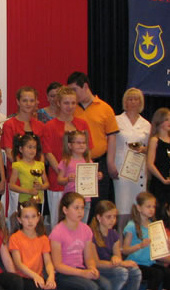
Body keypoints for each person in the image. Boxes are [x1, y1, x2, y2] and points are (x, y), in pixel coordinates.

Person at [49, 192, 108, 290]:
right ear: (65, 210)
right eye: (76, 208)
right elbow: (58, 265)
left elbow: (88, 257)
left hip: (80, 270)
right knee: (90, 288)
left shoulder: (86, 229)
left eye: (82, 208)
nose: (80, 211)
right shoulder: (57, 232)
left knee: (105, 286)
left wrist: (92, 268)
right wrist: (82, 273)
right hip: (63, 274)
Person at [8, 200, 62, 290]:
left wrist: (51, 277)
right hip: (22, 277)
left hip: (37, 276)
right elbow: (18, 264)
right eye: (26, 217)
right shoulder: (15, 238)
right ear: (19, 219)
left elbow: (48, 262)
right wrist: (35, 276)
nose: (30, 221)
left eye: (33, 217)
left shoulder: (43, 238)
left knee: (52, 289)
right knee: (36, 288)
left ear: (38, 218)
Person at [121, 192, 170, 290]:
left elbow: (159, 248)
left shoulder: (154, 225)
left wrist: (168, 245)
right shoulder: (132, 226)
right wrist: (140, 245)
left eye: (153, 206)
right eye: (148, 206)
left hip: (148, 262)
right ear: (139, 208)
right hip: (135, 263)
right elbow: (125, 249)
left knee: (169, 273)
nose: (151, 209)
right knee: (156, 274)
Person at [67, 72, 119, 205]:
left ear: (85, 86)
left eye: (74, 90)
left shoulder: (105, 108)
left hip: (99, 162)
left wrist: (110, 162)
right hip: (76, 164)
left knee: (99, 204)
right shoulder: (71, 109)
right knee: (77, 203)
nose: (72, 94)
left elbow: (112, 137)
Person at [43, 86, 90, 228]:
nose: (70, 106)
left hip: (79, 182)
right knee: (58, 222)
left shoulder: (82, 124)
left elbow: (88, 151)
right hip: (58, 181)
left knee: (80, 221)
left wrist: (87, 173)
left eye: (73, 103)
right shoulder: (50, 126)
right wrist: (62, 172)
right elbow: (48, 152)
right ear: (58, 103)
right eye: (66, 103)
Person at [89, 201, 142, 290]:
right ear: (99, 217)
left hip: (111, 266)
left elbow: (117, 255)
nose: (112, 220)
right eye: (108, 217)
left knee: (135, 272)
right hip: (99, 268)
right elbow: (96, 263)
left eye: (114, 217)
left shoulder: (113, 234)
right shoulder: (91, 235)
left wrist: (116, 258)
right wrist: (117, 263)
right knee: (121, 272)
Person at [106, 88, 150, 233]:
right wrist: (111, 164)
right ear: (125, 102)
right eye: (130, 99)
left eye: (136, 99)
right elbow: (110, 143)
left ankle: (137, 236)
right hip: (121, 168)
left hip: (139, 168)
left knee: (138, 203)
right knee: (123, 204)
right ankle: (120, 237)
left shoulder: (146, 124)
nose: (133, 102)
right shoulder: (116, 120)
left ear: (141, 102)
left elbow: (151, 147)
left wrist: (144, 149)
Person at [147, 108, 170, 211]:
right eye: (166, 119)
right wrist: (162, 179)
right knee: (160, 211)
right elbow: (150, 164)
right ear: (159, 121)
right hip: (159, 182)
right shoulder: (155, 140)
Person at [57, 130, 98, 223]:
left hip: (85, 199)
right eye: (78, 143)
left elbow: (92, 179)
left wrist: (97, 176)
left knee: (83, 224)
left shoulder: (88, 161)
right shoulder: (66, 161)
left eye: (84, 142)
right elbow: (59, 180)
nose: (81, 145)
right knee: (70, 224)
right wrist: (67, 179)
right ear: (70, 145)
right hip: (71, 200)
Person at [1, 86, 46, 163]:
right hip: (16, 169)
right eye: (24, 100)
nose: (28, 104)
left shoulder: (40, 125)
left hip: (36, 169)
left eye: (32, 101)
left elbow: (41, 152)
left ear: (35, 102)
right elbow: (9, 152)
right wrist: (25, 168)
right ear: (18, 102)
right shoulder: (9, 124)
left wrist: (39, 167)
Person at [10, 132, 49, 206]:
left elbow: (47, 184)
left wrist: (41, 187)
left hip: (38, 201)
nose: (32, 150)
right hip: (24, 201)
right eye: (29, 147)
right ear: (21, 149)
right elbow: (11, 185)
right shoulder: (17, 165)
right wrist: (28, 191)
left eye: (34, 147)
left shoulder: (40, 165)